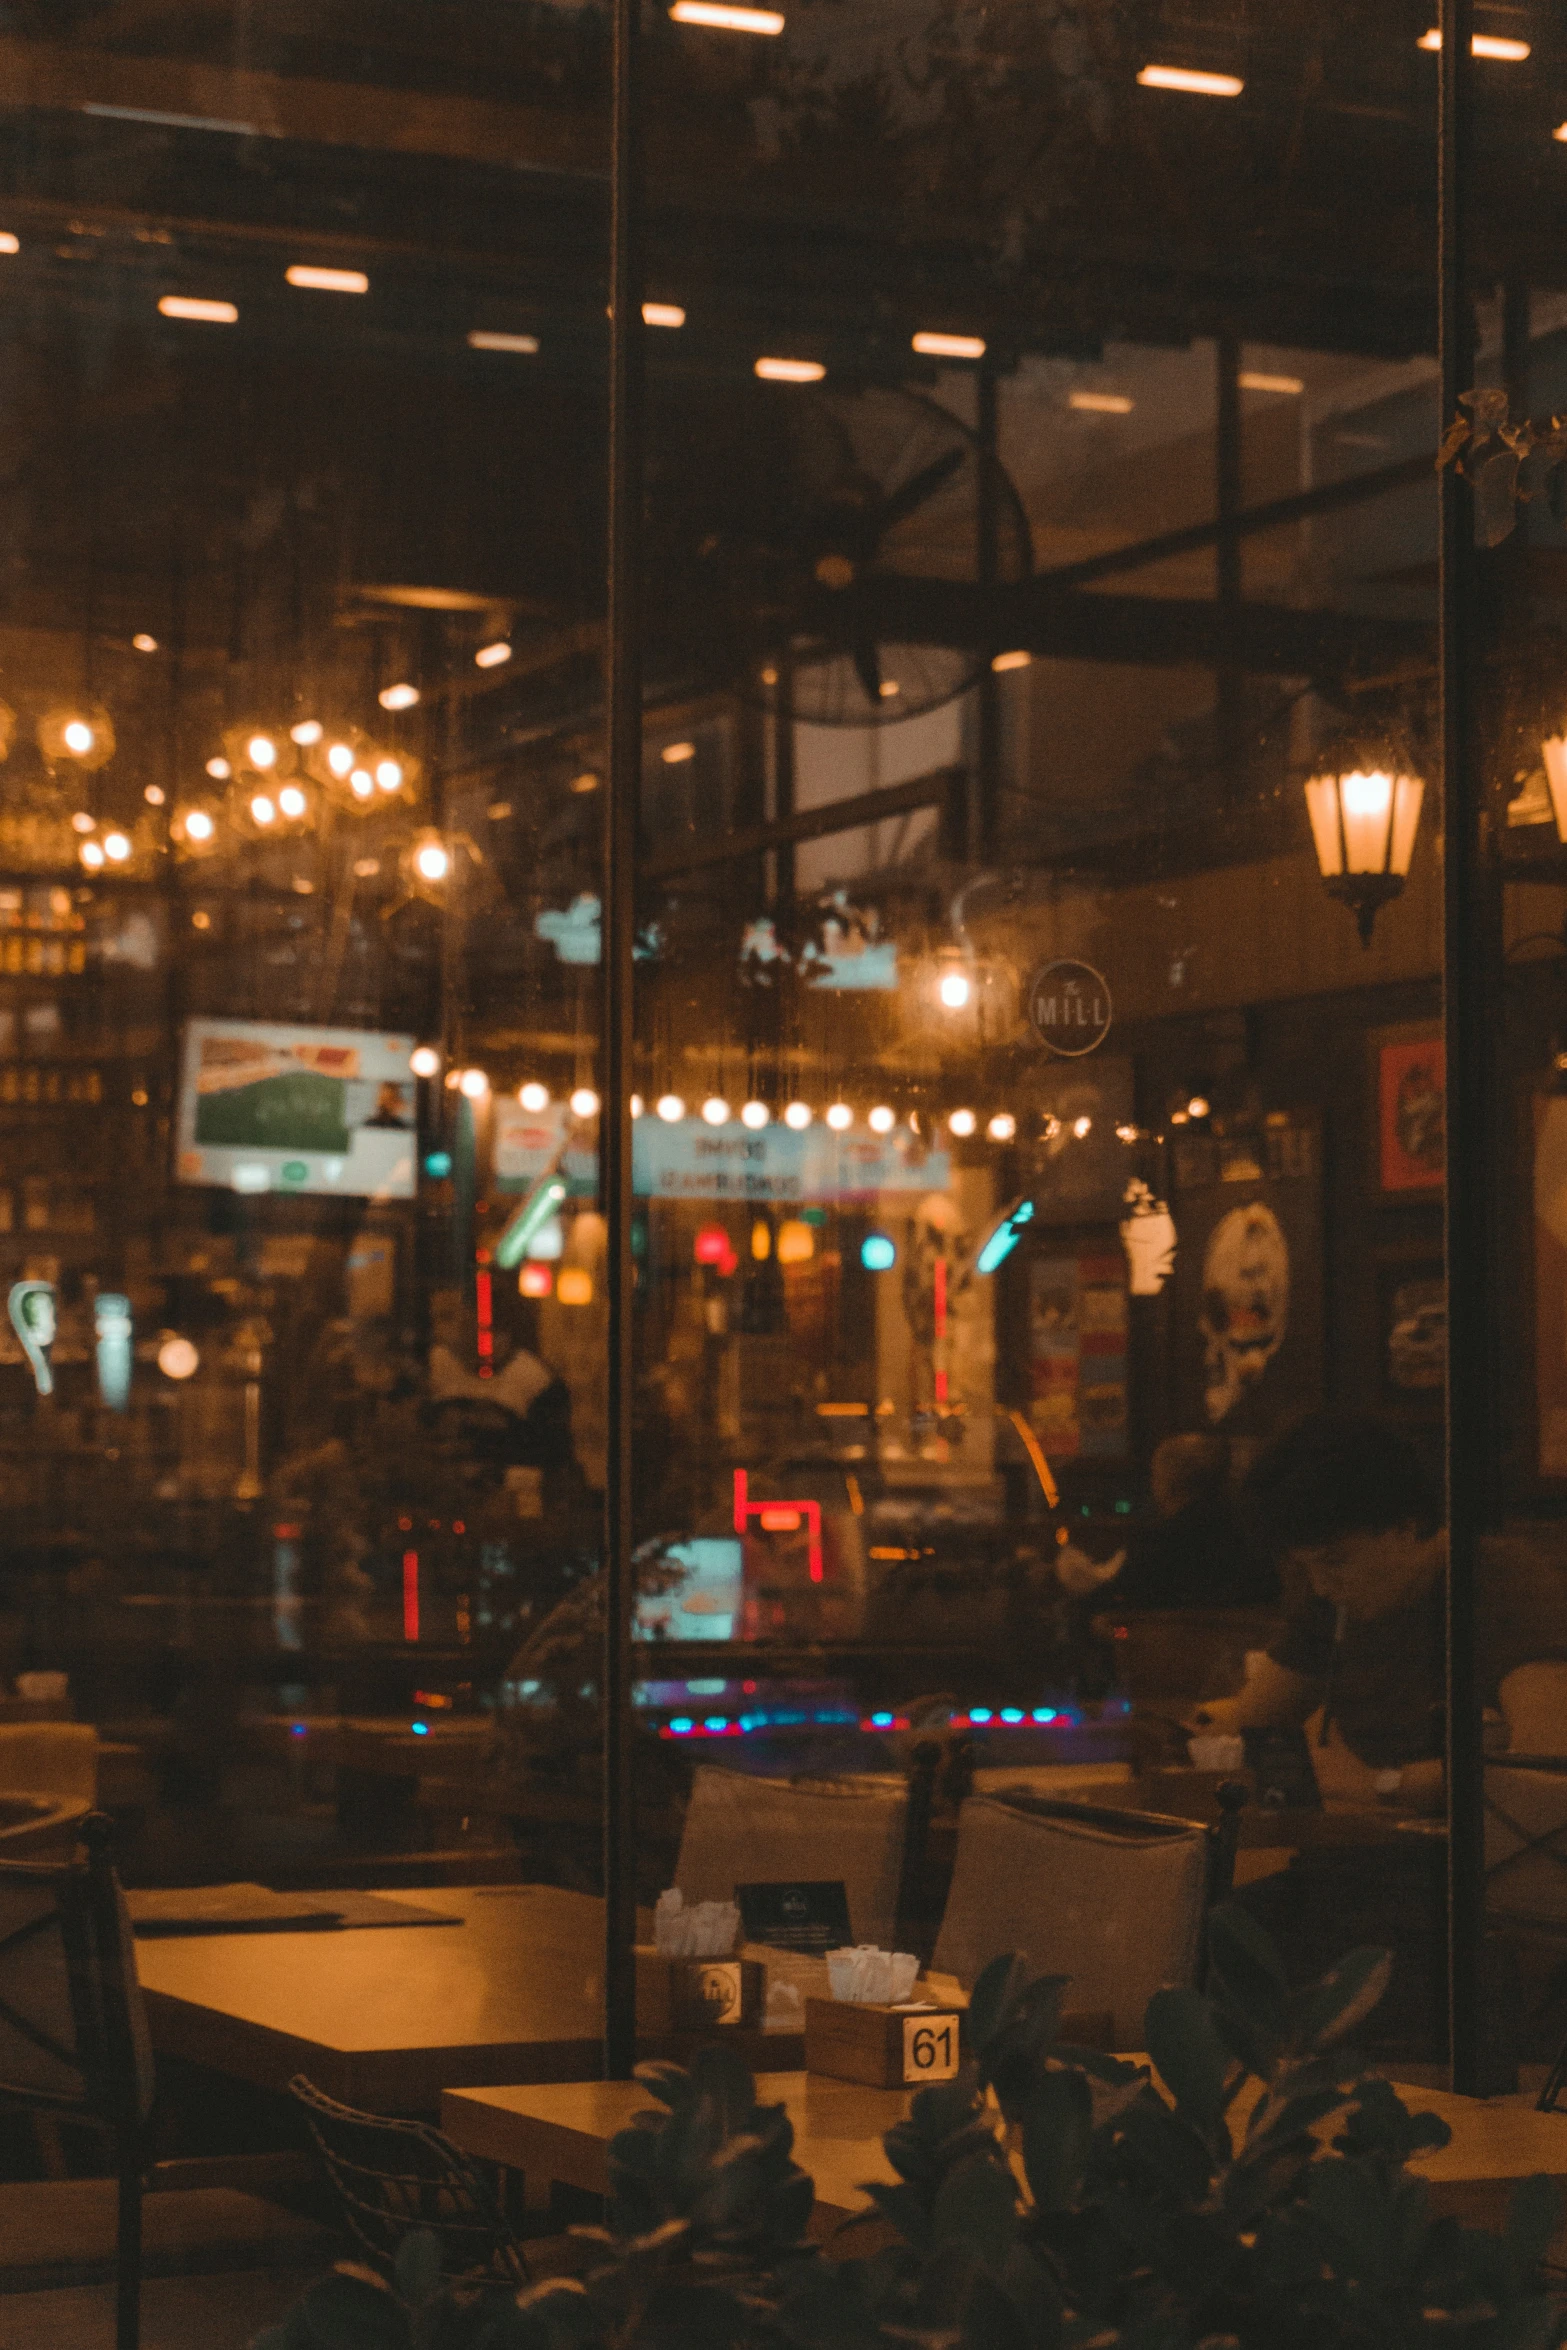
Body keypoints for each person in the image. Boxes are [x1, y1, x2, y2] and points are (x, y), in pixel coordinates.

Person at [1192, 1411, 1567, 1810]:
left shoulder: (1496, 1581)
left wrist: (1382, 1783)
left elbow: (1545, 1761)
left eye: (1335, 1561)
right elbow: (1256, 1720)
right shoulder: (1333, 1599)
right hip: (1355, 1851)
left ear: (1406, 1526)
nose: (1320, 1585)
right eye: (1306, 1567)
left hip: (1456, 1866)